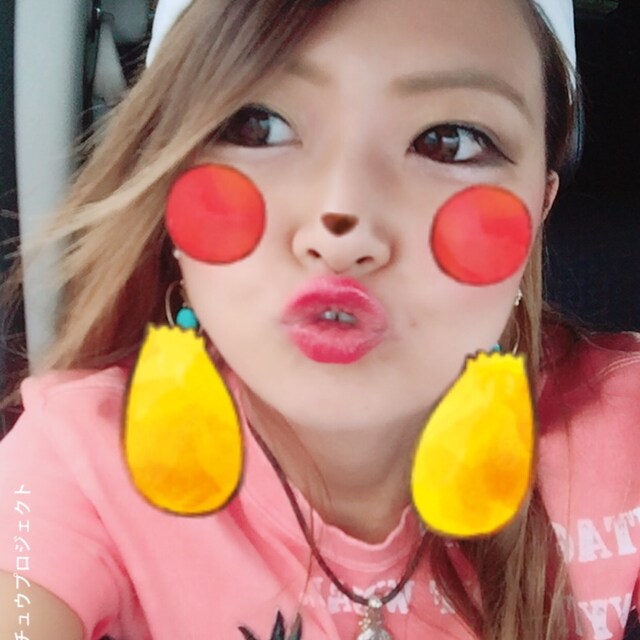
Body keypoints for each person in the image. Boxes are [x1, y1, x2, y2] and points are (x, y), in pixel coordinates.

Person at [1, 0, 639, 638]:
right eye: (258, 126)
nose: (343, 228)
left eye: (450, 142)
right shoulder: (76, 468)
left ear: (539, 209)